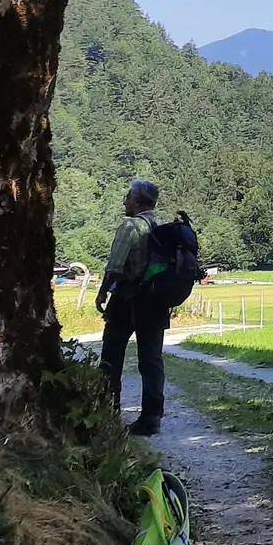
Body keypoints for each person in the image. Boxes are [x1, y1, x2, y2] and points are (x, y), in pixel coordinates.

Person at [98, 178, 169, 436]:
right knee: (151, 360)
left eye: (127, 197)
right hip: (157, 302)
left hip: (127, 301)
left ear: (138, 201)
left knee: (111, 357)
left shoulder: (130, 226)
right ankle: (151, 418)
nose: (124, 201)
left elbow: (115, 266)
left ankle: (107, 412)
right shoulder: (162, 228)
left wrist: (102, 292)